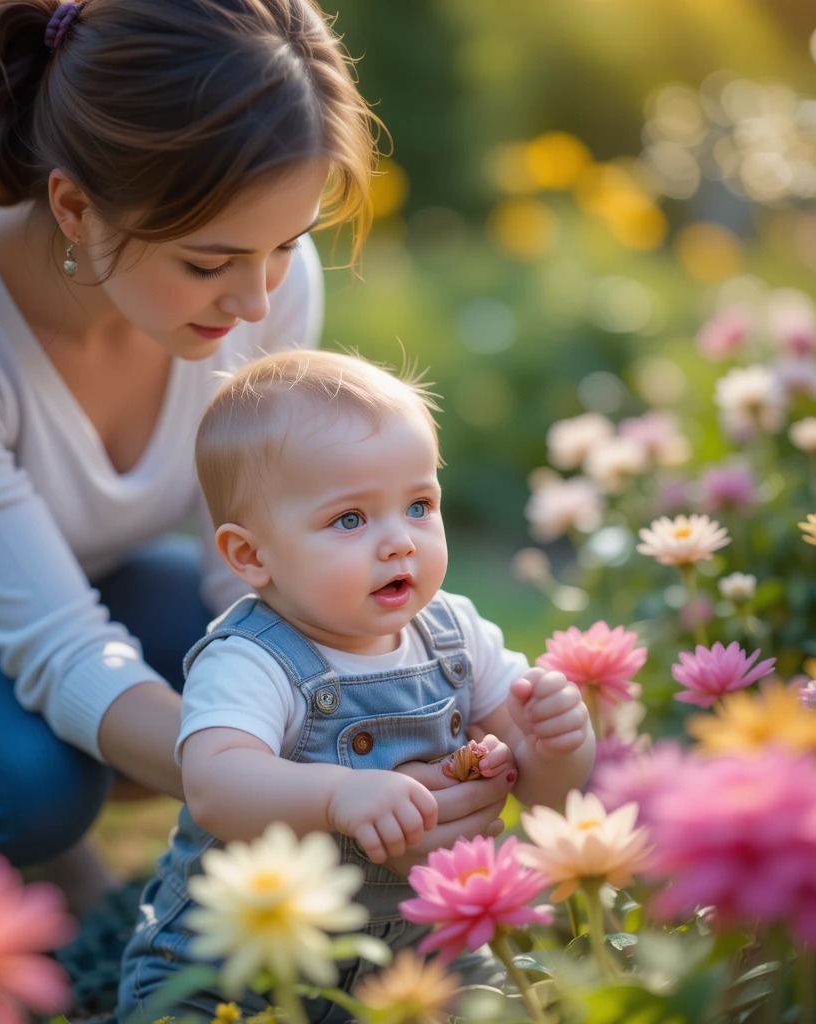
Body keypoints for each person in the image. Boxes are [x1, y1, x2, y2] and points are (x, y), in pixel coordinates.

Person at [0, 0, 512, 921]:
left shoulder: (264, 283)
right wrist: (313, 787)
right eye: (208, 263)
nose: (254, 298)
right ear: (74, 206)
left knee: (310, 644)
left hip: (88, 579)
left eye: (288, 244)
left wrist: (391, 731)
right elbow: (62, 649)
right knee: (31, 779)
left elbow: (251, 578)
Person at [117, 349, 595, 1022]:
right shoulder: (251, 657)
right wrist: (340, 793)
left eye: (420, 505)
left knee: (507, 1006)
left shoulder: (456, 634)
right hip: (235, 965)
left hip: (416, 958)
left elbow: (546, 796)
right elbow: (216, 785)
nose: (400, 541)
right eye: (351, 519)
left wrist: (556, 743)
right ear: (251, 556)